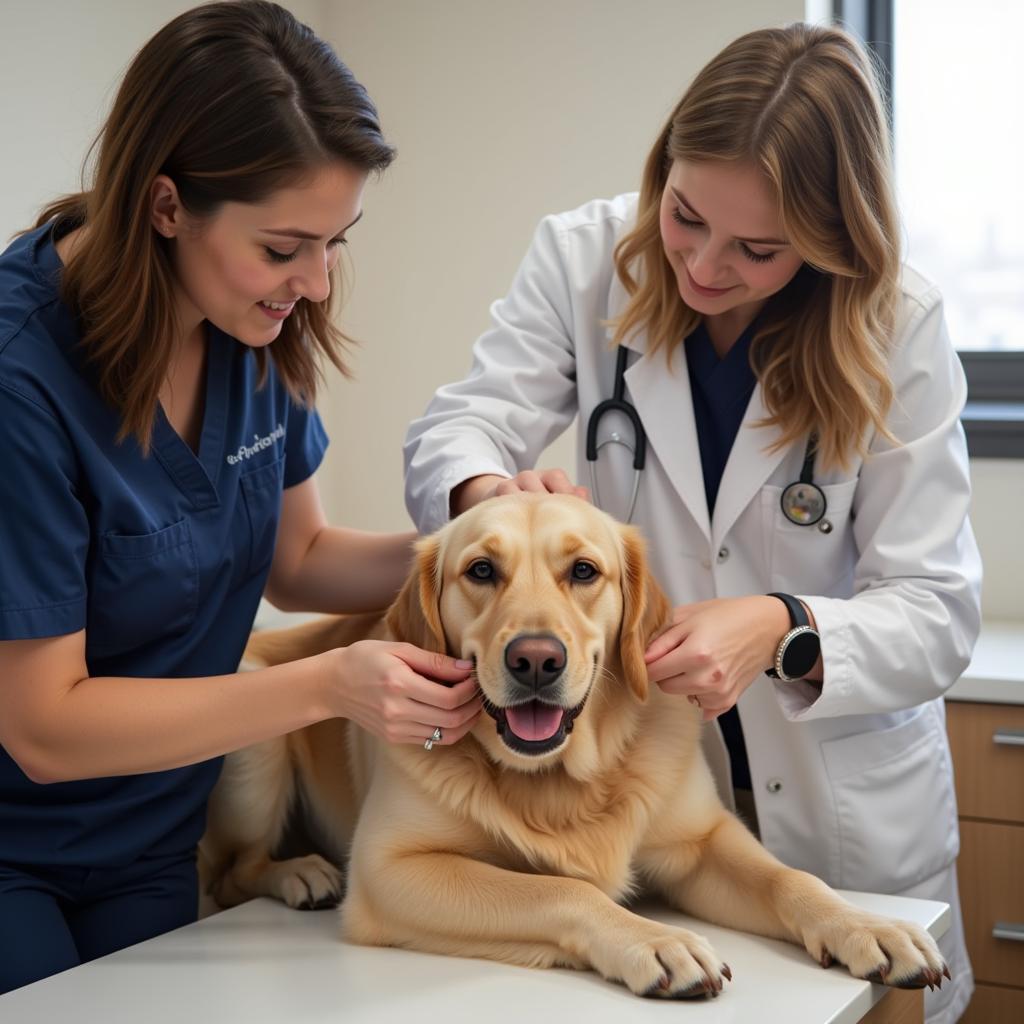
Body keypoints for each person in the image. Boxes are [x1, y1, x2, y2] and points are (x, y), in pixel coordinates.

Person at [403, 22, 981, 1024]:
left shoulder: (900, 326)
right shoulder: (584, 258)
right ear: (661, 170)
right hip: (654, 797)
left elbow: (936, 608)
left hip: (841, 813)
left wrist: (784, 624)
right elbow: (462, 424)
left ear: (830, 239)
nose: (705, 267)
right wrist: (487, 502)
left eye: (757, 249)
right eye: (684, 217)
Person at [0, 1, 481, 995]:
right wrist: (325, 684)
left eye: (336, 241)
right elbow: (43, 727)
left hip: (153, 839)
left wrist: (480, 547)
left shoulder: (248, 325)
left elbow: (298, 561)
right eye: (283, 247)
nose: (313, 281)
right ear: (166, 205)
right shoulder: (21, 383)